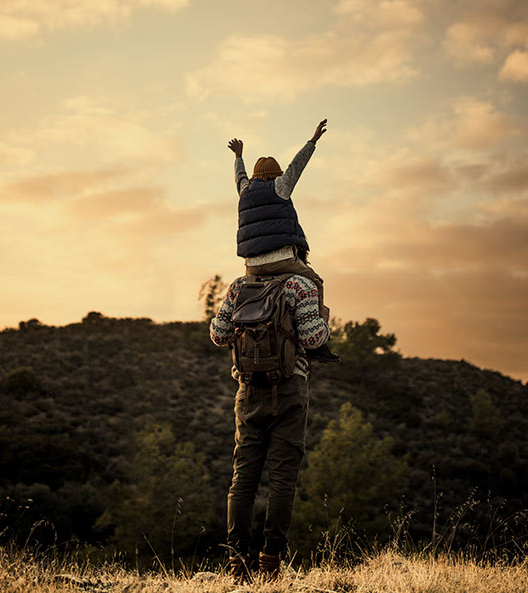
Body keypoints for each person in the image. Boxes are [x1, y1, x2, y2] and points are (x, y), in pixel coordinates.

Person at [209, 271, 330, 582]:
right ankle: (270, 562)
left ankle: (237, 562)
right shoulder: (300, 285)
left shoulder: (239, 286)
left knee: (243, 478)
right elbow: (314, 339)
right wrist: (323, 322)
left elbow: (219, 335)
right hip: (289, 390)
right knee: (282, 479)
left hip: (247, 392)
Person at [227, 119, 339, 363]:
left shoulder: (245, 190)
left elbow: (240, 175)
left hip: (252, 265)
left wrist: (238, 156)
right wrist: (313, 141)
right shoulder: (280, 186)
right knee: (315, 282)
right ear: (275, 175)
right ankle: (315, 340)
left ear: (256, 177)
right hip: (283, 260)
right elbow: (297, 166)